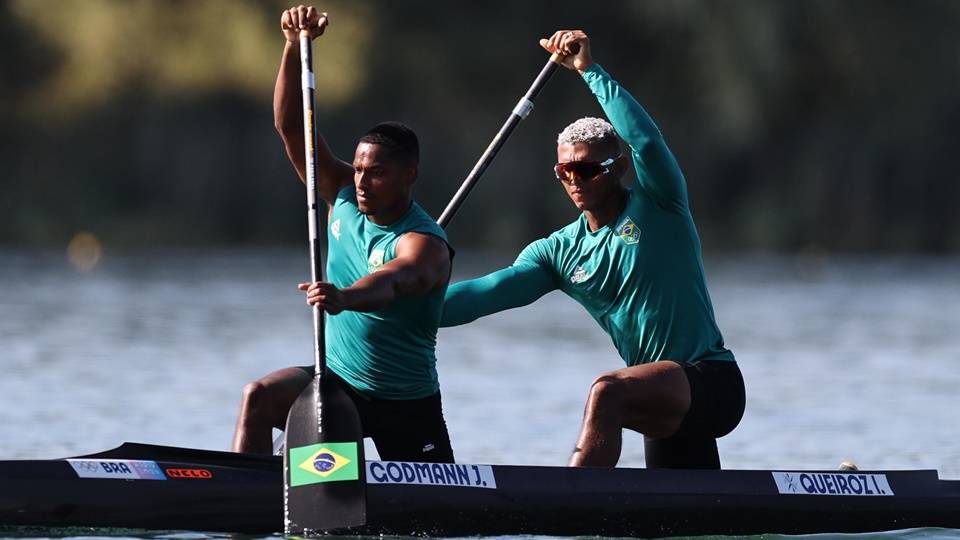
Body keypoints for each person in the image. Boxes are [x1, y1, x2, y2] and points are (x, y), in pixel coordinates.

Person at [440, 30, 744, 469]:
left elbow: (646, 143)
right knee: (686, 522)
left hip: (711, 381)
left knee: (607, 391)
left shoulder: (660, 204)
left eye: (585, 169)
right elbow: (484, 295)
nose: (573, 180)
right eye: (564, 170)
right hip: (657, 397)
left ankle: (569, 506)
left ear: (618, 168)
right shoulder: (558, 252)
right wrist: (400, 306)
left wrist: (588, 71)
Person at [231, 6, 454, 463]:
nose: (362, 181)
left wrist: (344, 298)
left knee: (431, 530)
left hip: (406, 404)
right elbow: (291, 127)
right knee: (259, 395)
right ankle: (243, 493)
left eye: (378, 173)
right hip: (337, 387)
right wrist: (293, 46)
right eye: (359, 169)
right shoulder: (342, 191)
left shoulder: (425, 243)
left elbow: (395, 281)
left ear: (409, 174)